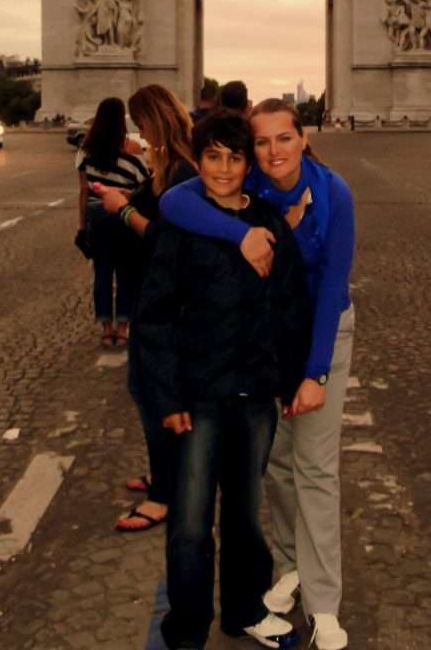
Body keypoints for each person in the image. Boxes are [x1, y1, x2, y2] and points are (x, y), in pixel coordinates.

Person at [161, 98, 355, 650]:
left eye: (284, 139)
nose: (273, 152)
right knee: (274, 467)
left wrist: (314, 373)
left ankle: (323, 604)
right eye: (261, 142)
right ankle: (291, 565)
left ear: (304, 138)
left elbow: (332, 289)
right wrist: (239, 235)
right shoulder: (255, 186)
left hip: (321, 333)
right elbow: (177, 200)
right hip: (266, 342)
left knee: (314, 468)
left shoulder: (333, 192)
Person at [138, 110, 311, 650]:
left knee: (243, 521)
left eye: (235, 158)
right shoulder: (181, 223)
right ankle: (187, 631)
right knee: (190, 525)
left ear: (246, 163)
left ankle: (242, 611)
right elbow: (154, 317)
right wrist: (165, 397)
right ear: (199, 157)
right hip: (197, 396)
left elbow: (290, 306)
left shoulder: (269, 221)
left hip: (254, 395)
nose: (223, 168)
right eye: (212, 156)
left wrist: (292, 379)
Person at [92, 84, 196, 533]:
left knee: (153, 394)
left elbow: (169, 242)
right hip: (154, 297)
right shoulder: (171, 164)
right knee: (146, 390)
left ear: (152, 119)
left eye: (140, 122)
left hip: (167, 305)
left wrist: (120, 210)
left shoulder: (179, 171)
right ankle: (164, 474)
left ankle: (164, 496)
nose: (137, 131)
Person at [75, 97, 148, 347]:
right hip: (124, 216)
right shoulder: (134, 149)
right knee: (127, 275)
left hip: (98, 217)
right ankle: (123, 327)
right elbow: (143, 186)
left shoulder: (86, 149)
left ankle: (106, 330)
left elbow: (84, 191)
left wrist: (81, 226)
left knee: (102, 274)